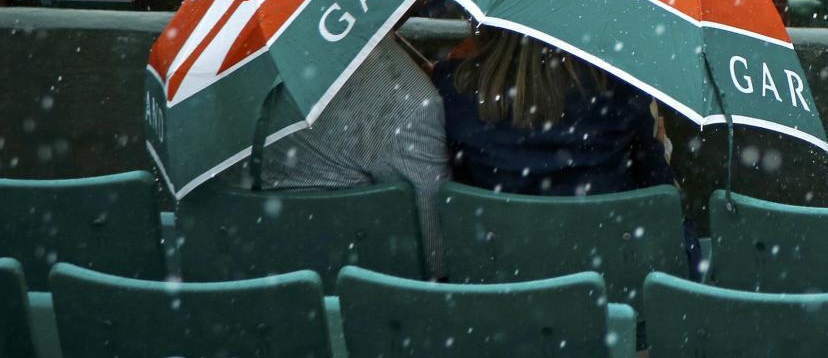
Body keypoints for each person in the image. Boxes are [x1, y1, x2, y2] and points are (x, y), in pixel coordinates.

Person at [253, 33, 450, 273]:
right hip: (364, 293)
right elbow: (434, 255)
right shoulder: (412, 104)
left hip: (252, 275)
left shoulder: (227, 68)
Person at [430, 25, 677, 197]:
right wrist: (660, 157)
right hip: (608, 267)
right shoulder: (623, 93)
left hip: (491, 265)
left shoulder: (454, 87)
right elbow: (666, 219)